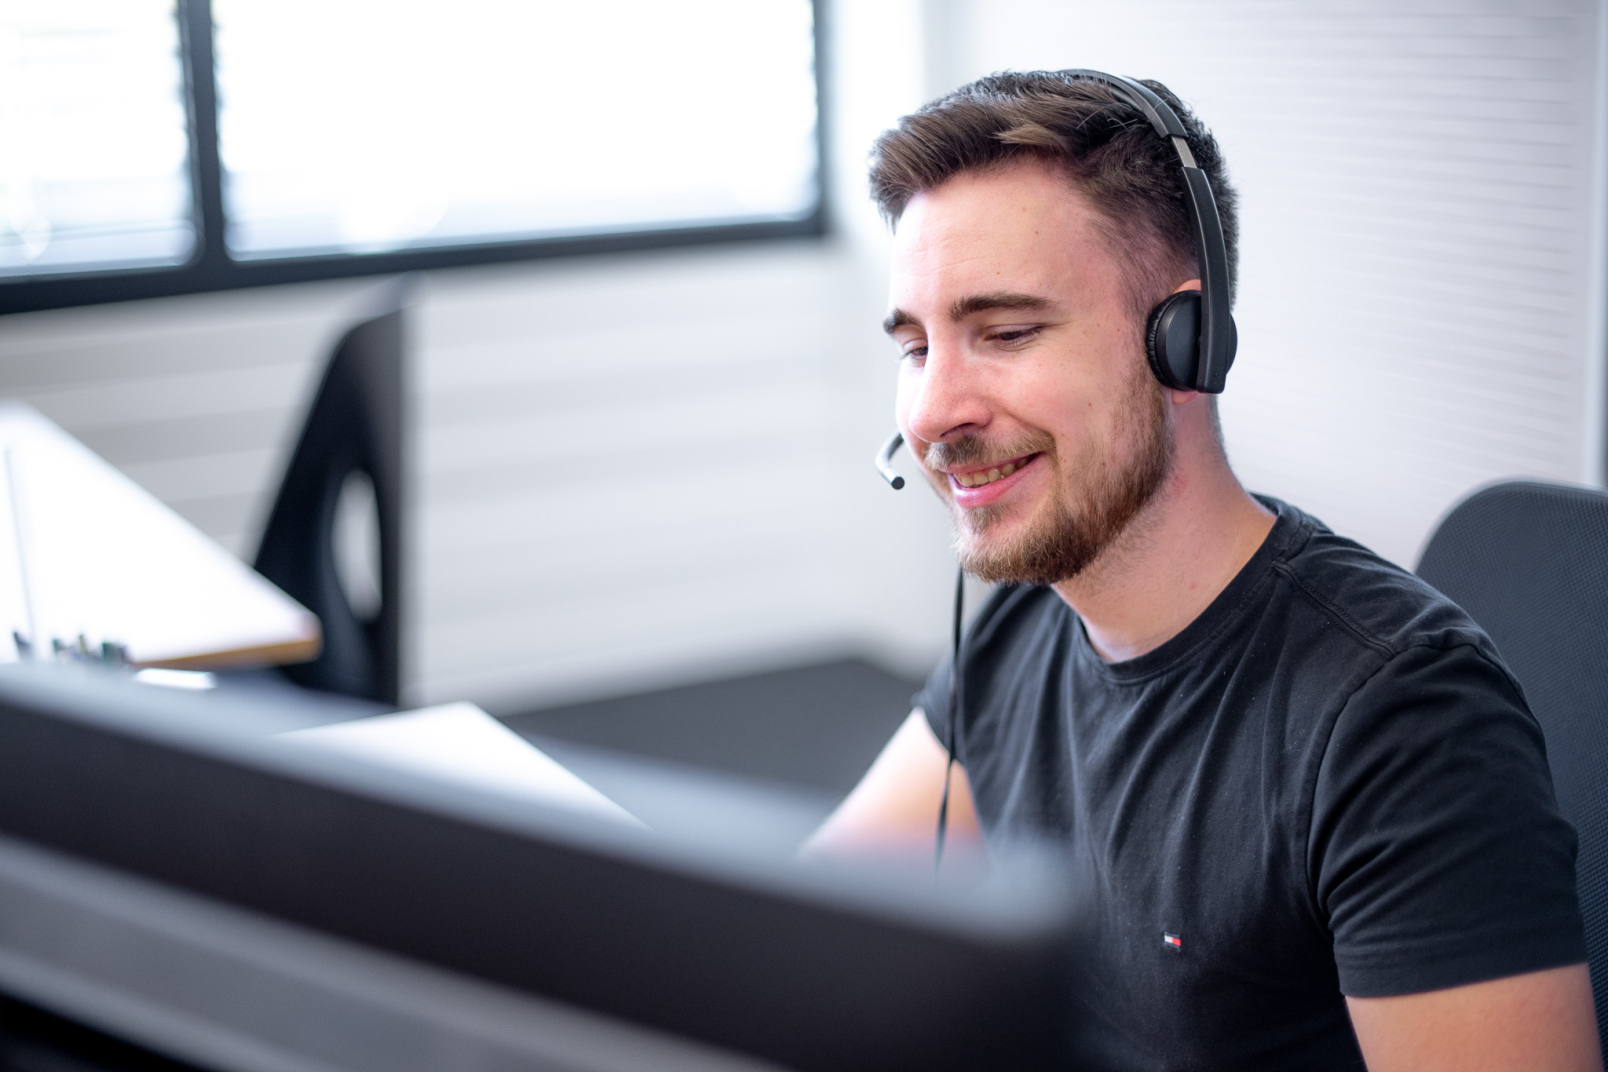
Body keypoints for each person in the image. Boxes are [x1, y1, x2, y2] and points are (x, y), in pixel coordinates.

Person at [805, 71, 1601, 1071]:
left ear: (1184, 340)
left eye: (1004, 332)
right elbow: (805, 930)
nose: (929, 412)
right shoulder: (1022, 623)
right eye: (917, 346)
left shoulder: (1397, 717)